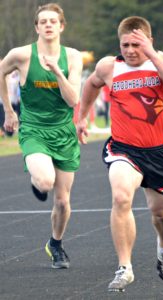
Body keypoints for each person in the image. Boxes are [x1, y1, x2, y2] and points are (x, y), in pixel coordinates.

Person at [77, 16, 163, 292]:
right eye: (125, 44)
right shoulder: (108, 66)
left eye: (135, 45)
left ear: (149, 41)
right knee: (121, 196)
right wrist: (82, 117)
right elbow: (91, 84)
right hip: (124, 149)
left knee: (161, 213)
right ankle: (124, 267)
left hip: (159, 152)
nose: (129, 50)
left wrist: (150, 52)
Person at [0, 3, 83, 269]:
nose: (48, 25)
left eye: (53, 21)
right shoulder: (21, 55)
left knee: (62, 202)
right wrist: (9, 112)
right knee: (46, 181)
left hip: (63, 132)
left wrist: (57, 71)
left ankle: (55, 244)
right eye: (43, 21)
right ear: (36, 27)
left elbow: (73, 100)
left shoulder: (72, 57)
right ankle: (39, 179)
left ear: (61, 26)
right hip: (34, 129)